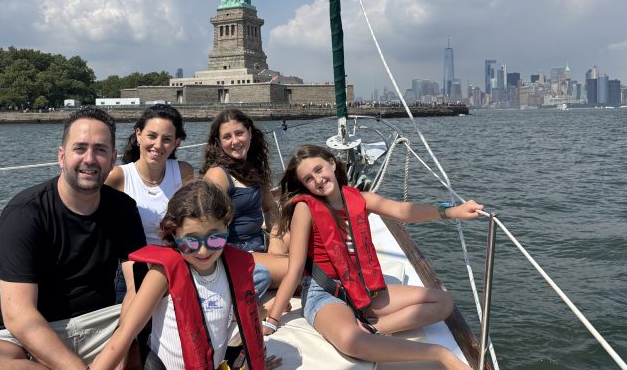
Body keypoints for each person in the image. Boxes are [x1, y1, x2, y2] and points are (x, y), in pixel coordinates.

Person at [0, 107, 147, 370]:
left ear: (113, 158)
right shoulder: (25, 214)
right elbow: (19, 316)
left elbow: (136, 287)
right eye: (80, 148)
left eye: (100, 150)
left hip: (98, 324)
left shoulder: (123, 208)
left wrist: (120, 343)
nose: (89, 159)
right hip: (25, 334)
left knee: (161, 310)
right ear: (61, 156)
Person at [263, 144, 483, 370]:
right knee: (350, 341)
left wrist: (451, 211)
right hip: (325, 292)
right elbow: (296, 268)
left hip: (362, 288)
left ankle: (373, 328)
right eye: (308, 179)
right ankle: (440, 353)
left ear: (331, 162)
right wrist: (272, 321)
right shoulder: (305, 209)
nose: (317, 180)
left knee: (443, 302)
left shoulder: (361, 199)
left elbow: (402, 212)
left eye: (319, 169)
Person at [91, 179, 281, 370]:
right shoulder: (162, 275)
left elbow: (251, 319)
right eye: (190, 241)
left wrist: (256, 358)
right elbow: (124, 334)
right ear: (173, 233)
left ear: (227, 225)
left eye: (214, 238)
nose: (203, 251)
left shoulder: (232, 268)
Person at [106, 104, 194, 302]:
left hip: (178, 265)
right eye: (151, 136)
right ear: (138, 135)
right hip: (136, 271)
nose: (158, 145)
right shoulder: (118, 177)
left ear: (177, 143)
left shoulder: (184, 172)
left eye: (167, 139)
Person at [202, 108, 287, 298]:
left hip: (258, 241)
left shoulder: (254, 169)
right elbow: (206, 226)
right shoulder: (218, 175)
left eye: (239, 133)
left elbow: (269, 207)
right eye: (227, 137)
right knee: (298, 268)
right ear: (218, 142)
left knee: (304, 244)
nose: (235, 141)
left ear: (249, 132)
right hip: (235, 251)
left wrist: (275, 237)